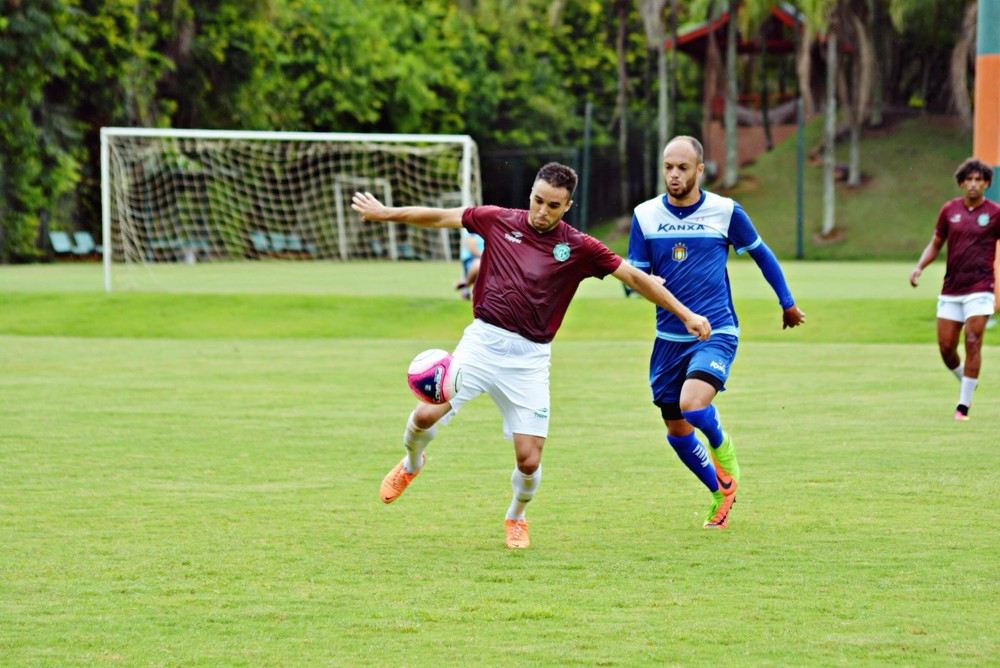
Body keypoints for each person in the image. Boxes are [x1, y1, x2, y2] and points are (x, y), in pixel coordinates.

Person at [352, 162, 711, 549]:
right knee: (424, 415)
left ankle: (516, 517)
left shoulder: (579, 246)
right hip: (481, 344)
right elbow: (440, 218)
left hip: (529, 361)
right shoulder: (497, 220)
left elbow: (635, 278)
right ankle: (411, 464)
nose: (542, 211)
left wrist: (686, 314)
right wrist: (385, 213)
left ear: (568, 206)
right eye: (538, 200)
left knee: (528, 460)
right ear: (531, 194)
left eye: (553, 205)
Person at [628, 136, 806, 529]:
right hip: (668, 341)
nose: (674, 175)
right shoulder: (644, 216)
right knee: (676, 431)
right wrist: (643, 282)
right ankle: (719, 493)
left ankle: (723, 449)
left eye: (682, 168)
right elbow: (631, 277)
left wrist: (787, 301)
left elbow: (762, 253)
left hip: (716, 331)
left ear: (700, 170)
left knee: (693, 406)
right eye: (668, 167)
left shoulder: (724, 211)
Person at [910, 157, 1000, 420]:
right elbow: (936, 243)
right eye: (968, 179)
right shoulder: (949, 210)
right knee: (945, 348)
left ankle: (963, 405)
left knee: (973, 341)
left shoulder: (995, 213)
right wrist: (919, 267)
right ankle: (967, 378)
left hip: (981, 287)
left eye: (978, 180)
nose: (973, 184)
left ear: (986, 183)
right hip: (952, 289)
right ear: (961, 183)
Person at [454, 228, 485, 300]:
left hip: (486, 259)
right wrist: (486, 257)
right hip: (472, 258)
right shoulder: (472, 226)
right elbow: (472, 248)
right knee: (479, 264)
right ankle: (467, 284)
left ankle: (465, 284)